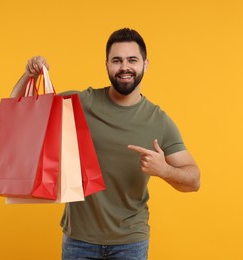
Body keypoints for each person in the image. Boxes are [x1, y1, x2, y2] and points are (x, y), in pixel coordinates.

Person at [10, 28, 200, 260]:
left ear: (145, 64)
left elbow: (194, 180)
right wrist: (29, 75)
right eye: (116, 60)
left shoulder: (158, 121)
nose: (124, 67)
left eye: (132, 60)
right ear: (107, 65)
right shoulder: (81, 103)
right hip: (79, 240)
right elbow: (19, 113)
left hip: (130, 243)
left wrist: (164, 170)